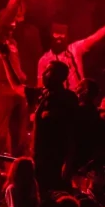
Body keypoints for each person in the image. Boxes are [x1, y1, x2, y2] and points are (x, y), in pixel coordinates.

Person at [36, 10, 105, 92]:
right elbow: (41, 87)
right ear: (51, 36)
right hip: (59, 101)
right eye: (56, 34)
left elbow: (94, 38)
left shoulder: (75, 49)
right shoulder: (44, 60)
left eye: (62, 35)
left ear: (66, 36)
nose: (59, 38)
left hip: (79, 96)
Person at [0, 0, 29, 156]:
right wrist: (14, 3)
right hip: (1, 88)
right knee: (2, 131)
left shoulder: (13, 41)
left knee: (19, 131)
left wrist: (22, 76)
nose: (13, 23)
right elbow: (5, 21)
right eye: (9, 20)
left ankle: (18, 162)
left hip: (17, 89)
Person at [32, 60, 80, 192]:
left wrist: (68, 162)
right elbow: (17, 86)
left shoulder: (68, 98)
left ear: (60, 76)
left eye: (49, 71)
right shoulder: (43, 95)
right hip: (40, 158)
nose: (44, 74)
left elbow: (72, 132)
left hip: (56, 160)